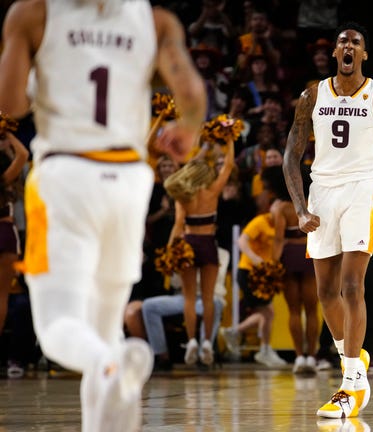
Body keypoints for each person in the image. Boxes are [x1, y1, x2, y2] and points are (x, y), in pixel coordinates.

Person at [0, 1, 207, 431]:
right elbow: (190, 96)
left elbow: (10, 102)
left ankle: (109, 359)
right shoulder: (156, 21)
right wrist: (186, 127)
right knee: (104, 328)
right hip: (128, 182)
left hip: (66, 175)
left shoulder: (35, 12)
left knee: (61, 328)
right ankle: (113, 366)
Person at [283, 22, 373, 418]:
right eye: (343, 42)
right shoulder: (311, 95)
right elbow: (291, 155)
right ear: (335, 54)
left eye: (356, 41)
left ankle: (353, 384)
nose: (349, 46)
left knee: (352, 284)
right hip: (322, 190)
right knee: (325, 292)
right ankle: (351, 356)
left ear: (364, 54)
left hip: (363, 187)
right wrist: (302, 209)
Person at [164, 138, 235, 366]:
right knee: (207, 298)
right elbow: (229, 166)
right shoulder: (212, 192)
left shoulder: (182, 197)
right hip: (207, 244)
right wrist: (230, 139)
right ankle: (207, 342)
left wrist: (169, 250)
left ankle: (192, 341)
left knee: (188, 298)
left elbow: (177, 225)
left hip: (187, 243)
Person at [264, 165, 319, 374]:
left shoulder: (281, 209)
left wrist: (272, 265)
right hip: (309, 255)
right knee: (312, 310)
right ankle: (312, 357)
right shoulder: (312, 203)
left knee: (294, 310)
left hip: (288, 258)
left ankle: (299, 358)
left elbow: (278, 239)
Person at [219, 209, 287, 368]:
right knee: (267, 312)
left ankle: (261, 347)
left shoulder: (280, 227)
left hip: (265, 274)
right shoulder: (259, 222)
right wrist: (255, 259)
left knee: (266, 313)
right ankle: (242, 336)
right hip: (249, 272)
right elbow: (242, 241)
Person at [0, 132, 29, 336]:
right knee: (1, 296)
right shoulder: (4, 179)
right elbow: (23, 154)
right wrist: (7, 131)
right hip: (5, 233)